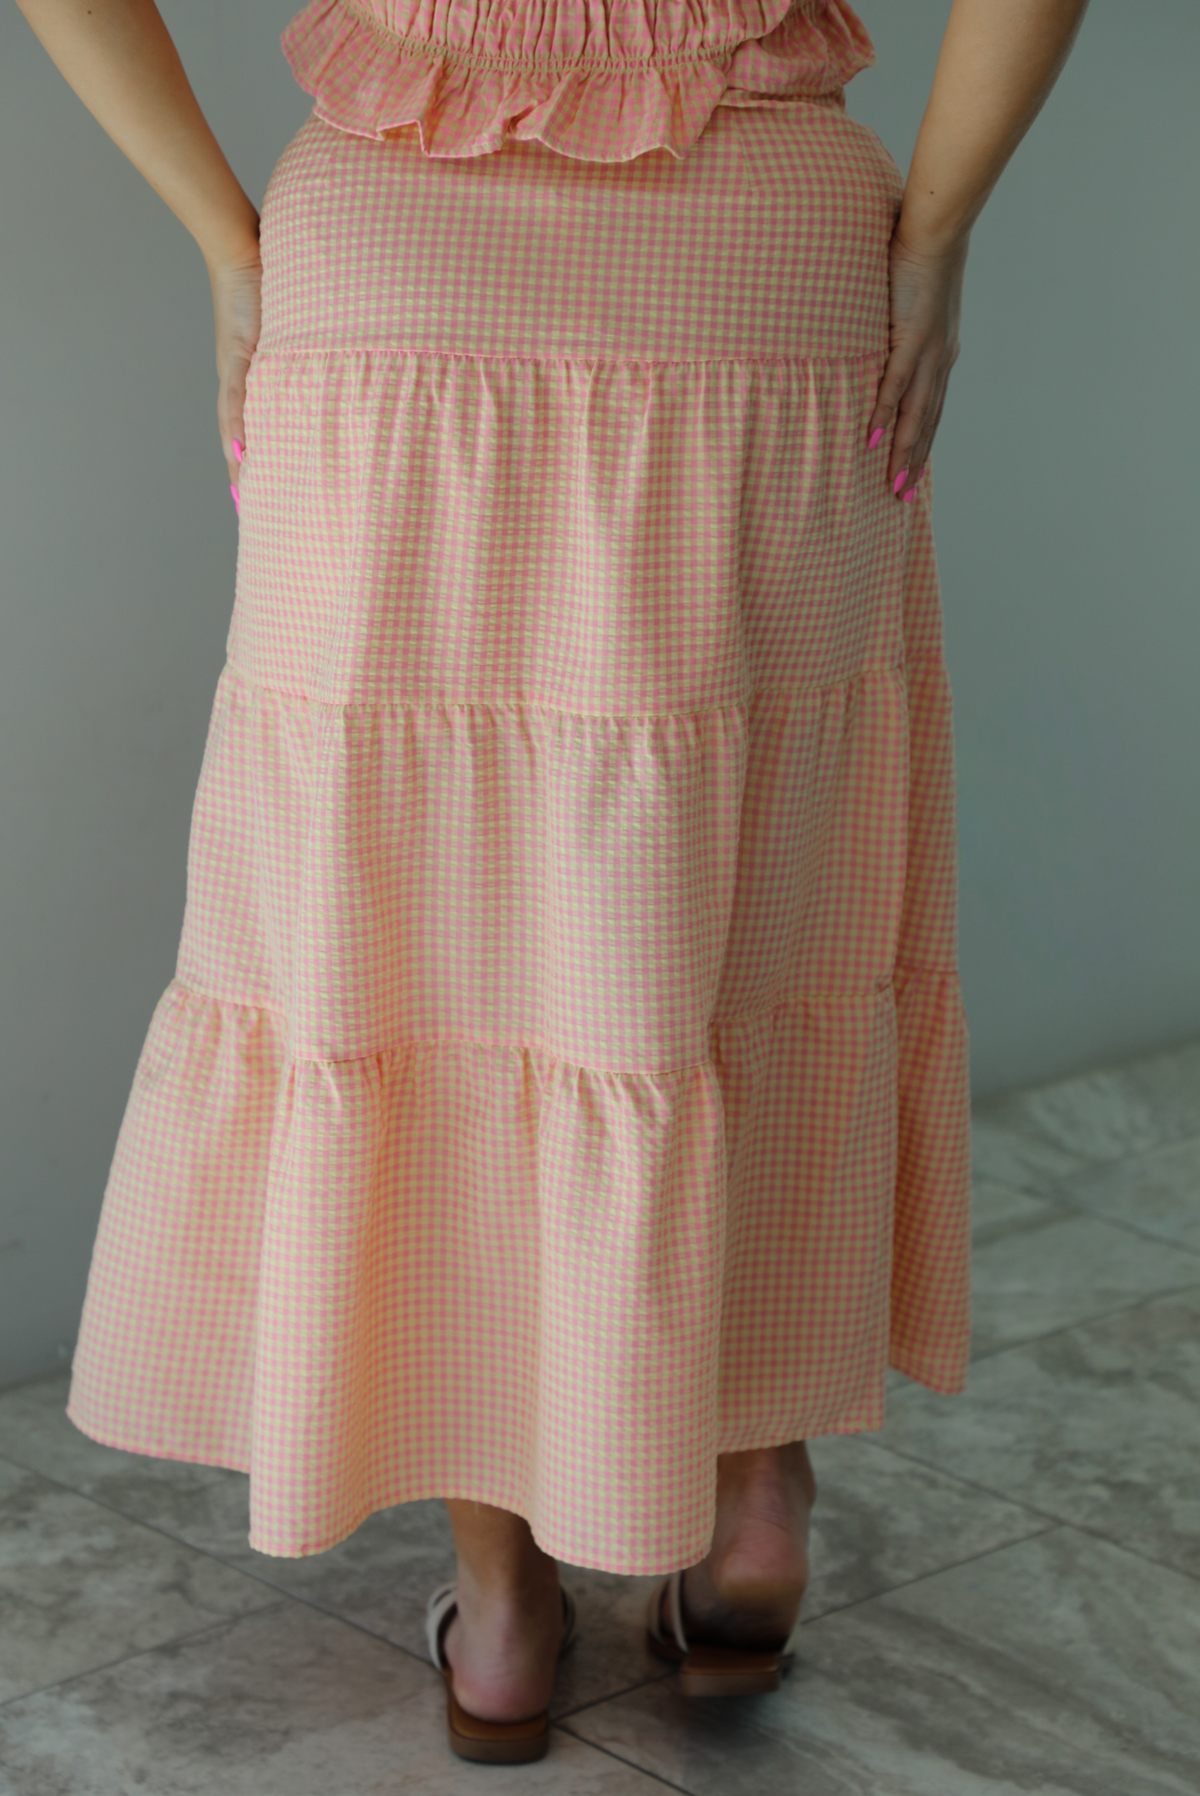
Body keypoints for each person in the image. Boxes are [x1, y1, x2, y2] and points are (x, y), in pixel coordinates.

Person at [16, 0, 1090, 1767]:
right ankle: (749, 1508)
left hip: (387, 265)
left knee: (425, 940)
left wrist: (227, 240)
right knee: (751, 909)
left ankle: (505, 1611)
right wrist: (942, 230)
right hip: (761, 260)